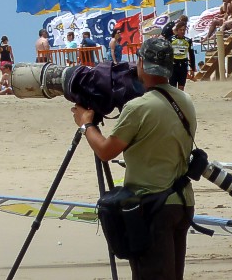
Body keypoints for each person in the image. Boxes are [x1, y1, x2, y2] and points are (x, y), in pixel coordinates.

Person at [71, 37, 196, 280]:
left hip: (152, 207)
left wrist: (86, 124)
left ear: (141, 63)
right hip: (182, 202)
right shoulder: (185, 101)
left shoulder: (139, 107)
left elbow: (106, 151)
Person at [168, 21, 196, 91]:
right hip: (173, 66)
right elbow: (166, 53)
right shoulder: (171, 39)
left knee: (181, 88)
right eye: (181, 30)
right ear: (177, 30)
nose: (182, 31)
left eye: (184, 30)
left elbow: (191, 54)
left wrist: (192, 68)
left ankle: (180, 101)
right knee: (172, 88)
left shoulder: (188, 40)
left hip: (183, 66)